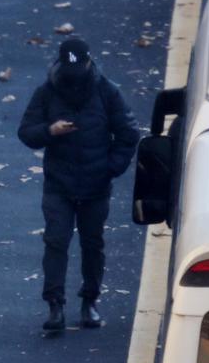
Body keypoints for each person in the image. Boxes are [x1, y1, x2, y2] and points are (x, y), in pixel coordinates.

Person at [16, 36, 138, 334]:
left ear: (87, 64)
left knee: (92, 244)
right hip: (59, 184)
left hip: (96, 185)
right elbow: (26, 132)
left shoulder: (106, 92)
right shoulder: (47, 92)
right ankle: (55, 305)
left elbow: (128, 133)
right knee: (55, 242)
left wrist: (111, 168)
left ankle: (89, 301)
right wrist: (50, 130)